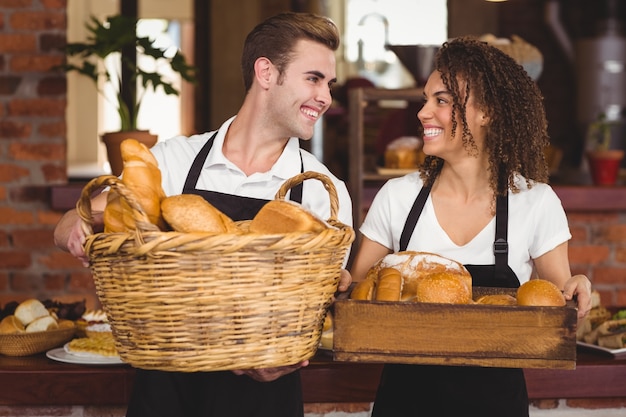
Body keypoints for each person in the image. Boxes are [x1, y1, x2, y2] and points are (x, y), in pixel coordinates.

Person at [54, 12, 352, 417]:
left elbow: (313, 315)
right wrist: (77, 224)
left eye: (328, 84)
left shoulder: (321, 191)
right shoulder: (174, 161)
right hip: (166, 390)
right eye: (313, 79)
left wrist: (283, 356)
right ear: (266, 72)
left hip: (263, 398)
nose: (325, 97)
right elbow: (79, 221)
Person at [349, 36, 592, 417]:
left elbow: (560, 306)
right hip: (404, 402)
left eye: (442, 101)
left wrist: (577, 290)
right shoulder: (398, 197)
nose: (423, 112)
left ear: (488, 112)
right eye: (426, 99)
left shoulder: (536, 202)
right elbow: (355, 300)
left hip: (496, 405)